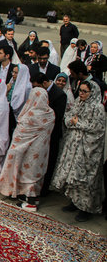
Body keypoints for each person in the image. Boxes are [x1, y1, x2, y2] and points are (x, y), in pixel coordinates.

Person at [51, 81, 105, 222]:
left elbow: (98, 128)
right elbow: (68, 117)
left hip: (87, 149)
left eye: (84, 91)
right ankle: (74, 202)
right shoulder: (78, 102)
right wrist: (72, 122)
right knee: (72, 177)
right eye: (80, 90)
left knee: (85, 180)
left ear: (92, 93)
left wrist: (78, 123)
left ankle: (86, 208)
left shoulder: (97, 108)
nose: (81, 93)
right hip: (73, 146)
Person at [0, 87, 55, 211]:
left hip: (28, 152)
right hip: (42, 152)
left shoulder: (30, 116)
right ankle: (34, 197)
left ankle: (31, 202)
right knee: (36, 173)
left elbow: (20, 134)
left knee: (28, 175)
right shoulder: (51, 114)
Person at [30, 73, 68, 196]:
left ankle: (44, 189)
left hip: (52, 134)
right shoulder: (42, 92)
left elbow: (57, 116)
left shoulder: (59, 95)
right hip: (39, 133)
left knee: (49, 161)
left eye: (38, 87)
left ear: (44, 83)